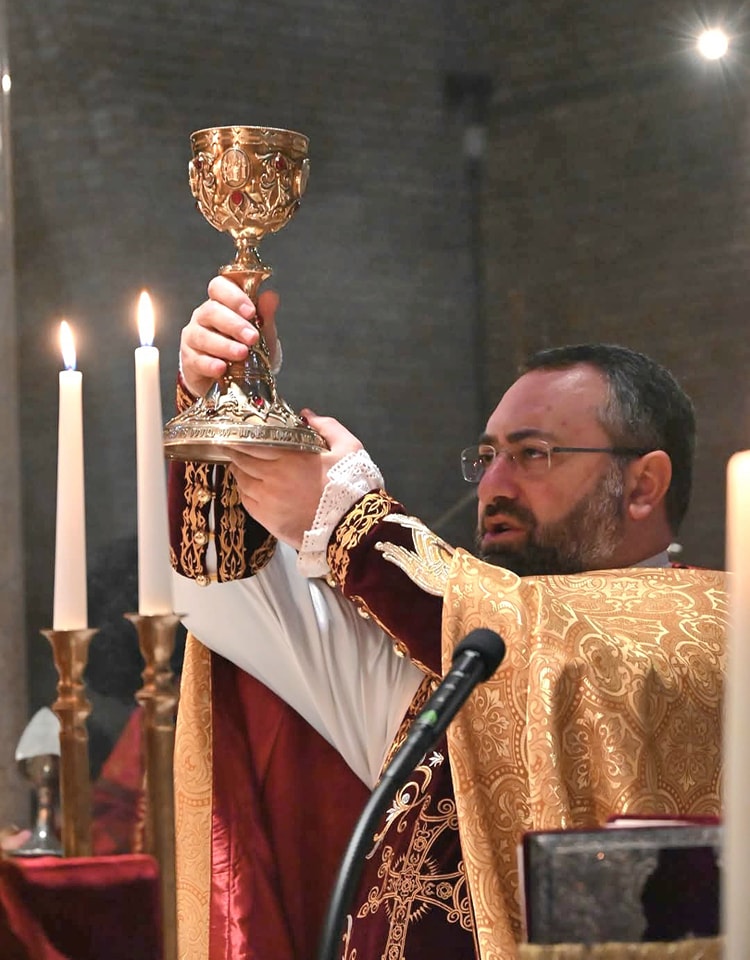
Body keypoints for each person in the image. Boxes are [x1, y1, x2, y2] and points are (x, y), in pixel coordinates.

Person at [170, 276, 717, 959]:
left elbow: (566, 646)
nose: (493, 484)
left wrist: (353, 524)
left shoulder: (711, 633)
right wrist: (229, 400)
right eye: (487, 458)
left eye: (533, 454)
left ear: (642, 485)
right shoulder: (458, 662)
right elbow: (226, 592)